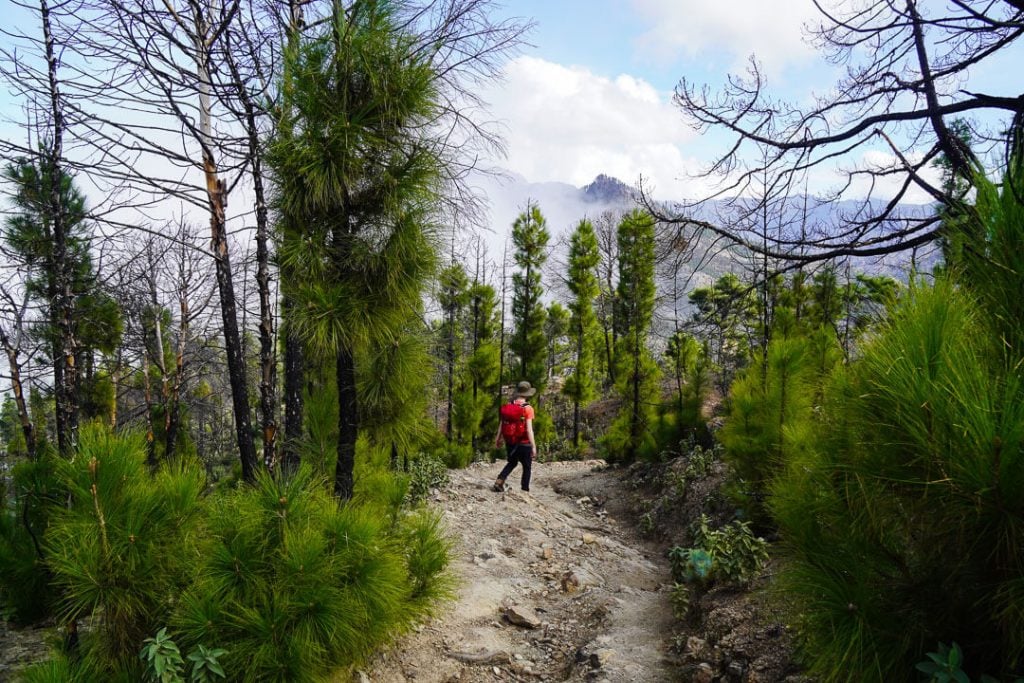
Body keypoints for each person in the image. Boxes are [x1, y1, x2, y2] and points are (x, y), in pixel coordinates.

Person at [493, 380, 537, 492]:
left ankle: (500, 480)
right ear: (527, 394)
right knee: (527, 467)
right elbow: (529, 430)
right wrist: (533, 446)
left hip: (510, 441)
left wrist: (498, 438)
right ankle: (525, 490)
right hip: (524, 443)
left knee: (512, 462)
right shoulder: (528, 408)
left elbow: (501, 424)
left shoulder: (508, 406)